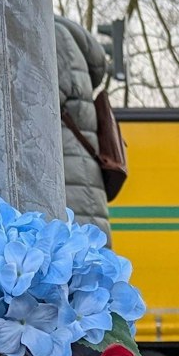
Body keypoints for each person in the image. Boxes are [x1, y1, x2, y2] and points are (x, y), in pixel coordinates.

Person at [54, 14, 115, 239]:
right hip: (81, 184)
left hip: (69, 189)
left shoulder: (51, 37)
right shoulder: (66, 39)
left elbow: (34, 107)